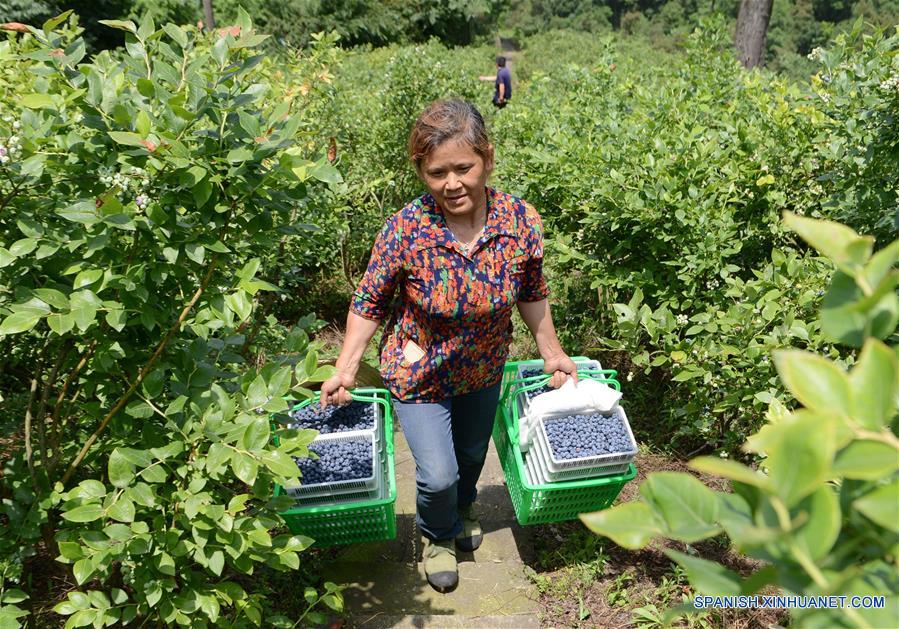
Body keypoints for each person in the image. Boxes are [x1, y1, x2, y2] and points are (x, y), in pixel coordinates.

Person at [319, 99, 576, 593]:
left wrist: (552, 352)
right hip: (420, 371)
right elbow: (369, 301)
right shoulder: (406, 229)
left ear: (487, 159)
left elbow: (531, 292)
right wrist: (347, 367)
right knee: (437, 474)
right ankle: (437, 533)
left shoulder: (520, 221)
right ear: (421, 170)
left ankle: (463, 509)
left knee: (472, 456)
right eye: (438, 173)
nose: (452, 183)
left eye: (464, 167)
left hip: (483, 366)